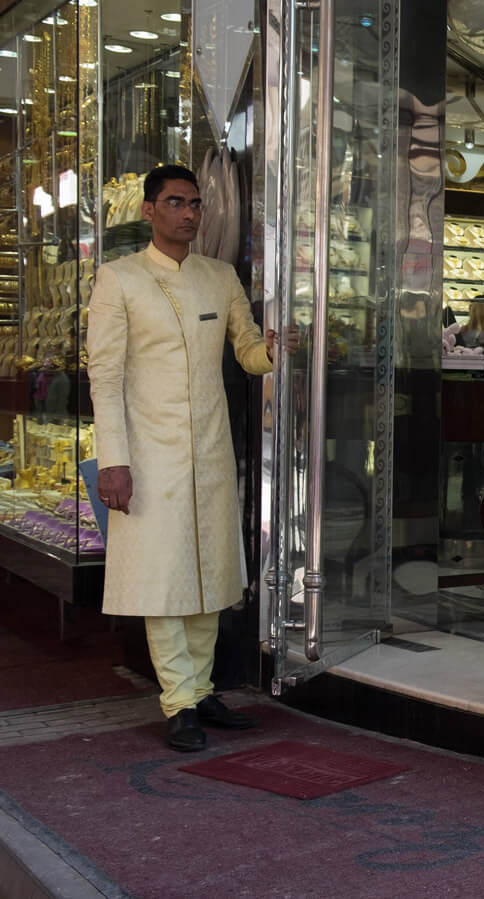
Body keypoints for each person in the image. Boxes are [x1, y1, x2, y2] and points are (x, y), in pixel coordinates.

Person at [86, 164, 288, 753]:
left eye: (195, 204)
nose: (189, 214)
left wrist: (272, 350)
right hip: (146, 453)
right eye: (175, 203)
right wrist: (112, 460)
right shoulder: (118, 279)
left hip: (210, 449)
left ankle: (200, 692)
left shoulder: (219, 276)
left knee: (209, 572)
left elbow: (247, 352)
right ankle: (178, 703)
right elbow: (105, 375)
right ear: (149, 211)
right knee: (164, 576)